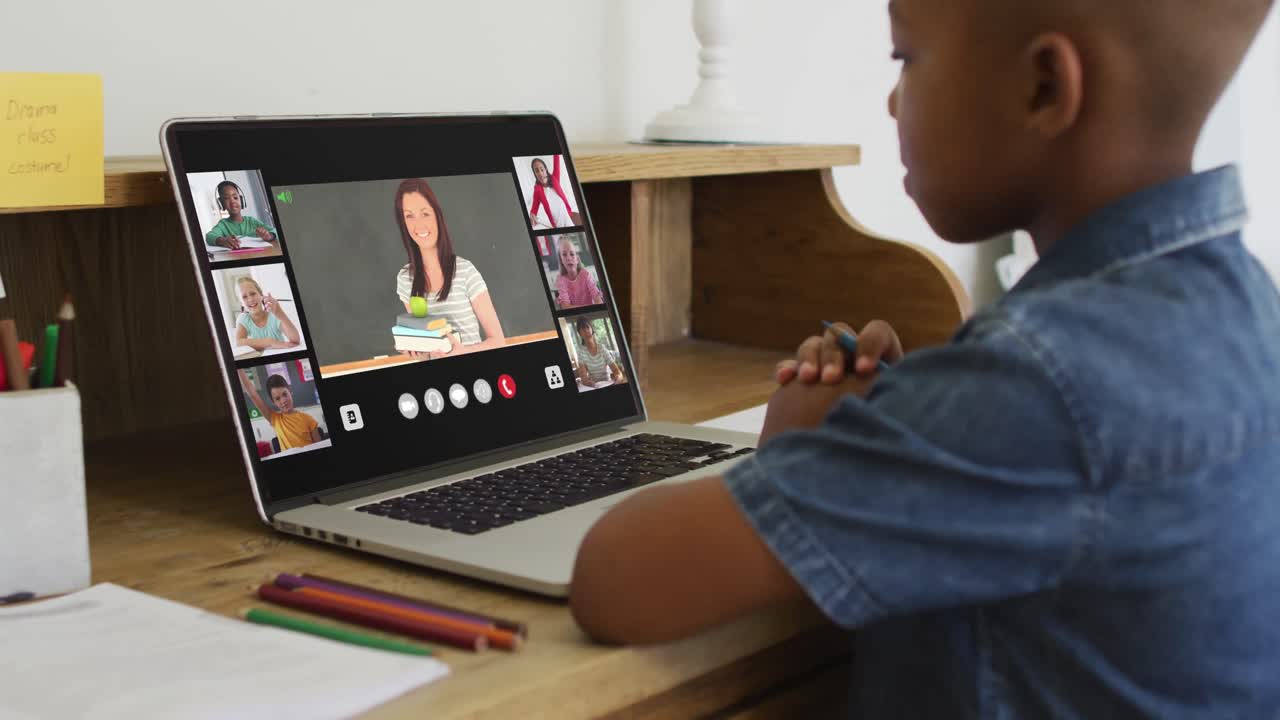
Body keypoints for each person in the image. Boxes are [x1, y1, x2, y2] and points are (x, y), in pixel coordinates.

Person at [569, 1, 1280, 717]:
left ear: (1043, 87)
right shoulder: (1247, 309)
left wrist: (805, 449)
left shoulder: (1036, 383)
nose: (889, 99)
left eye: (905, 60)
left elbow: (616, 581)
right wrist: (913, 420)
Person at [394, 178, 505, 359]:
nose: (419, 225)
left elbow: (498, 341)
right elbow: (424, 342)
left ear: (437, 215)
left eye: (425, 213)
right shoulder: (406, 279)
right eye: (409, 216)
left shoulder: (465, 271)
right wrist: (412, 346)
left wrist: (463, 352)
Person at [239, 370, 322, 451]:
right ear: (274, 402)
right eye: (277, 399)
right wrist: (238, 368)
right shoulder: (274, 419)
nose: (283, 401)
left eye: (285, 394)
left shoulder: (308, 419)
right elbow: (253, 394)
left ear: (290, 391)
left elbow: (320, 447)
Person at [234, 276, 300, 352]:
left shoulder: (273, 315)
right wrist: (270, 342)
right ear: (241, 302)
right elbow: (238, 342)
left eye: (253, 294)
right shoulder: (244, 319)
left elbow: (295, 340)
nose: (250, 299)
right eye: (244, 297)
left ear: (261, 295)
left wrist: (279, 312)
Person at [205, 180, 278, 249]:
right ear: (221, 204)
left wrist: (269, 236)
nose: (232, 202)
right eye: (227, 198)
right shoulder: (223, 224)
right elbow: (209, 236)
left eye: (235, 197)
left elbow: (275, 231)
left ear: (241, 200)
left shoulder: (251, 221)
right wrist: (222, 240)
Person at [528, 156, 582, 229]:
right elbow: (534, 208)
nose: (540, 173)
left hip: (567, 217)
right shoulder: (537, 190)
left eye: (542, 169)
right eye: (537, 171)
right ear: (535, 174)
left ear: (545, 169)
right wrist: (532, 216)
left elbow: (556, 160)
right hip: (557, 224)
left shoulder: (554, 178)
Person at [554, 235, 605, 309]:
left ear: (577, 259)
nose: (568, 258)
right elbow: (565, 307)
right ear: (561, 260)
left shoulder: (586, 275)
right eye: (564, 255)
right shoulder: (561, 280)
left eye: (572, 254)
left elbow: (599, 301)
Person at [573, 317, 624, 387]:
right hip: (593, 386)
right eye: (582, 328)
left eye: (587, 327)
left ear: (592, 329)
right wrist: (588, 382)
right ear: (579, 333)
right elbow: (584, 378)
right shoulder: (581, 352)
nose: (586, 330)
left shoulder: (602, 348)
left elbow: (617, 371)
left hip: (608, 382)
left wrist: (618, 377)